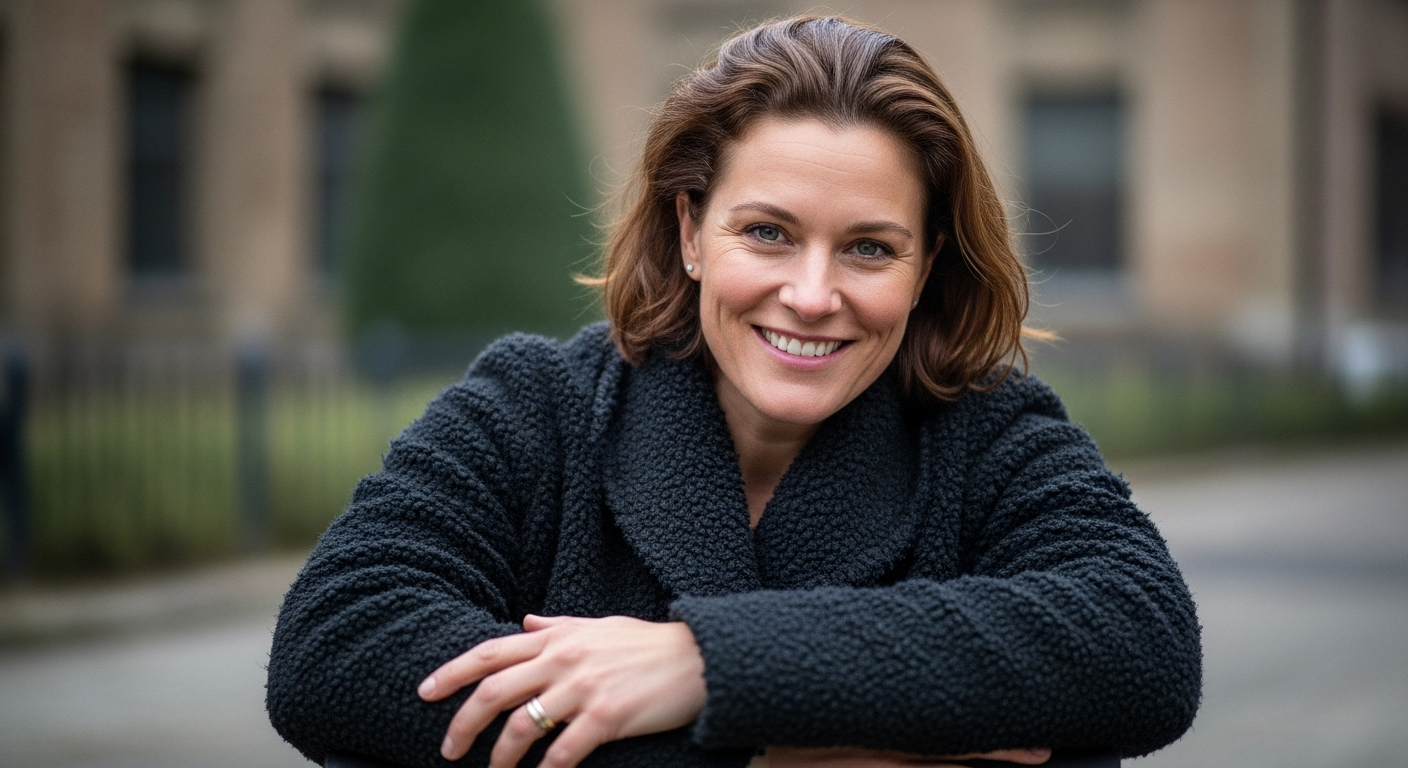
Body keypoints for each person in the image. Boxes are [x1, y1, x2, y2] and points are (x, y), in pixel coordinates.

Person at [266, 15, 1201, 768]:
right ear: (689, 231)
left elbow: (1140, 641)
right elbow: (337, 643)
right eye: (767, 233)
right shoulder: (535, 405)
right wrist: (797, 746)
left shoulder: (990, 432)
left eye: (869, 247)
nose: (811, 294)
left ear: (926, 271)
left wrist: (702, 664)